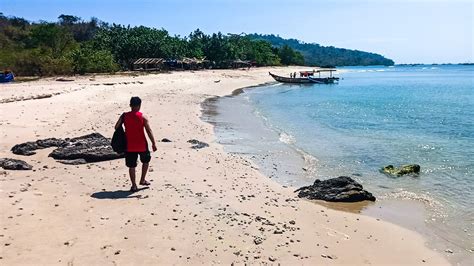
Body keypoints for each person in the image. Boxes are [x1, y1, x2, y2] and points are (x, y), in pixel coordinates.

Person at [115, 96, 157, 192]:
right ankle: (142, 179)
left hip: (129, 145)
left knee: (131, 166)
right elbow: (149, 131)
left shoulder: (124, 116)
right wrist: (153, 143)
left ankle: (134, 185)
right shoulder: (143, 117)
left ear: (130, 105)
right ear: (139, 105)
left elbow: (116, 126)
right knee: (145, 161)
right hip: (142, 144)